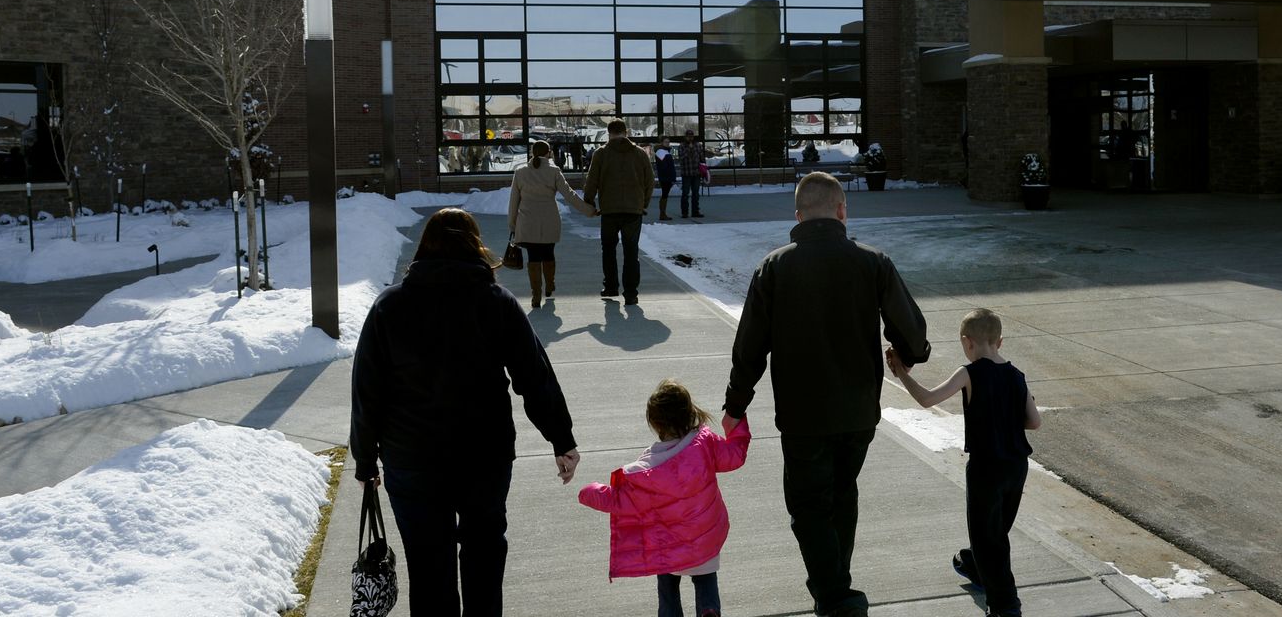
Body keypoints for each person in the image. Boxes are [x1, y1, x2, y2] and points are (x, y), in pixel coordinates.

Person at [350, 207, 581, 617]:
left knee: (428, 566)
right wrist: (560, 439)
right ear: (475, 245)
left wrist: (366, 459)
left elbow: (368, 390)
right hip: (484, 455)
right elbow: (534, 375)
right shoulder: (496, 302)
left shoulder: (389, 306)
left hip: (412, 457)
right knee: (484, 555)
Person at [721, 172, 931, 616]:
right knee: (842, 493)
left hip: (802, 416)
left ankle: (836, 597)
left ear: (796, 216)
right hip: (858, 413)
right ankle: (837, 585)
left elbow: (750, 345)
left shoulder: (775, 266)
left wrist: (735, 405)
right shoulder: (874, 262)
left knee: (809, 505)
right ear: (842, 210)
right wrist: (911, 353)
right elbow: (910, 330)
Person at [886, 309, 1041, 617]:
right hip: (1016, 467)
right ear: (1000, 341)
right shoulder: (1016, 375)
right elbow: (1034, 422)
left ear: (966, 342)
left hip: (986, 467)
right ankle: (974, 566)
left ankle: (1006, 606)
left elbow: (928, 399)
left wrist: (901, 372)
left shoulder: (969, 372)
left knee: (988, 540)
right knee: (996, 532)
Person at [578, 379, 751, 617]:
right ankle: (709, 609)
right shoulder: (705, 443)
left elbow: (617, 500)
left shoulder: (647, 469)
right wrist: (737, 425)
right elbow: (735, 455)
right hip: (706, 537)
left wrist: (589, 491)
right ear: (690, 412)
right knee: (706, 577)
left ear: (656, 424)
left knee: (667, 584)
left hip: (670, 546)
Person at [509, 138, 595, 308]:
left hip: (527, 221)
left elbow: (514, 201)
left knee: (533, 257)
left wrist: (512, 224)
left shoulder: (520, 172)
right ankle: (549, 284)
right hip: (550, 220)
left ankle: (535, 295)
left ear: (532, 153)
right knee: (548, 253)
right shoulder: (554, 171)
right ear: (549, 153)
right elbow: (569, 195)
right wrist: (589, 210)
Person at [584, 117, 655, 305]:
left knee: (608, 249)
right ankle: (631, 293)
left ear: (609, 133)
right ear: (626, 132)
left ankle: (611, 286)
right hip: (633, 211)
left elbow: (592, 180)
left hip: (609, 210)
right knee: (631, 252)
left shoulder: (601, 154)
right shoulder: (639, 154)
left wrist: (589, 200)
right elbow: (650, 181)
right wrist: (643, 204)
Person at [678, 129, 705, 218]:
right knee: (685, 193)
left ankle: (695, 211)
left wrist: (704, 169)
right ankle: (684, 212)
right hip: (686, 173)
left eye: (691, 136)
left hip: (696, 173)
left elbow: (702, 158)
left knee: (696, 194)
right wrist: (689, 149)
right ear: (685, 137)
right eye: (688, 136)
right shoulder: (682, 146)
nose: (690, 138)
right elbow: (681, 158)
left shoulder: (698, 145)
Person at [654, 135, 677, 221]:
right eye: (666, 142)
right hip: (665, 177)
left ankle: (663, 213)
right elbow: (665, 166)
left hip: (667, 177)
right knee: (664, 195)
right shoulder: (661, 152)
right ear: (662, 143)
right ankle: (662, 214)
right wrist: (670, 176)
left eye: (668, 142)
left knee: (665, 195)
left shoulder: (665, 151)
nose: (667, 143)